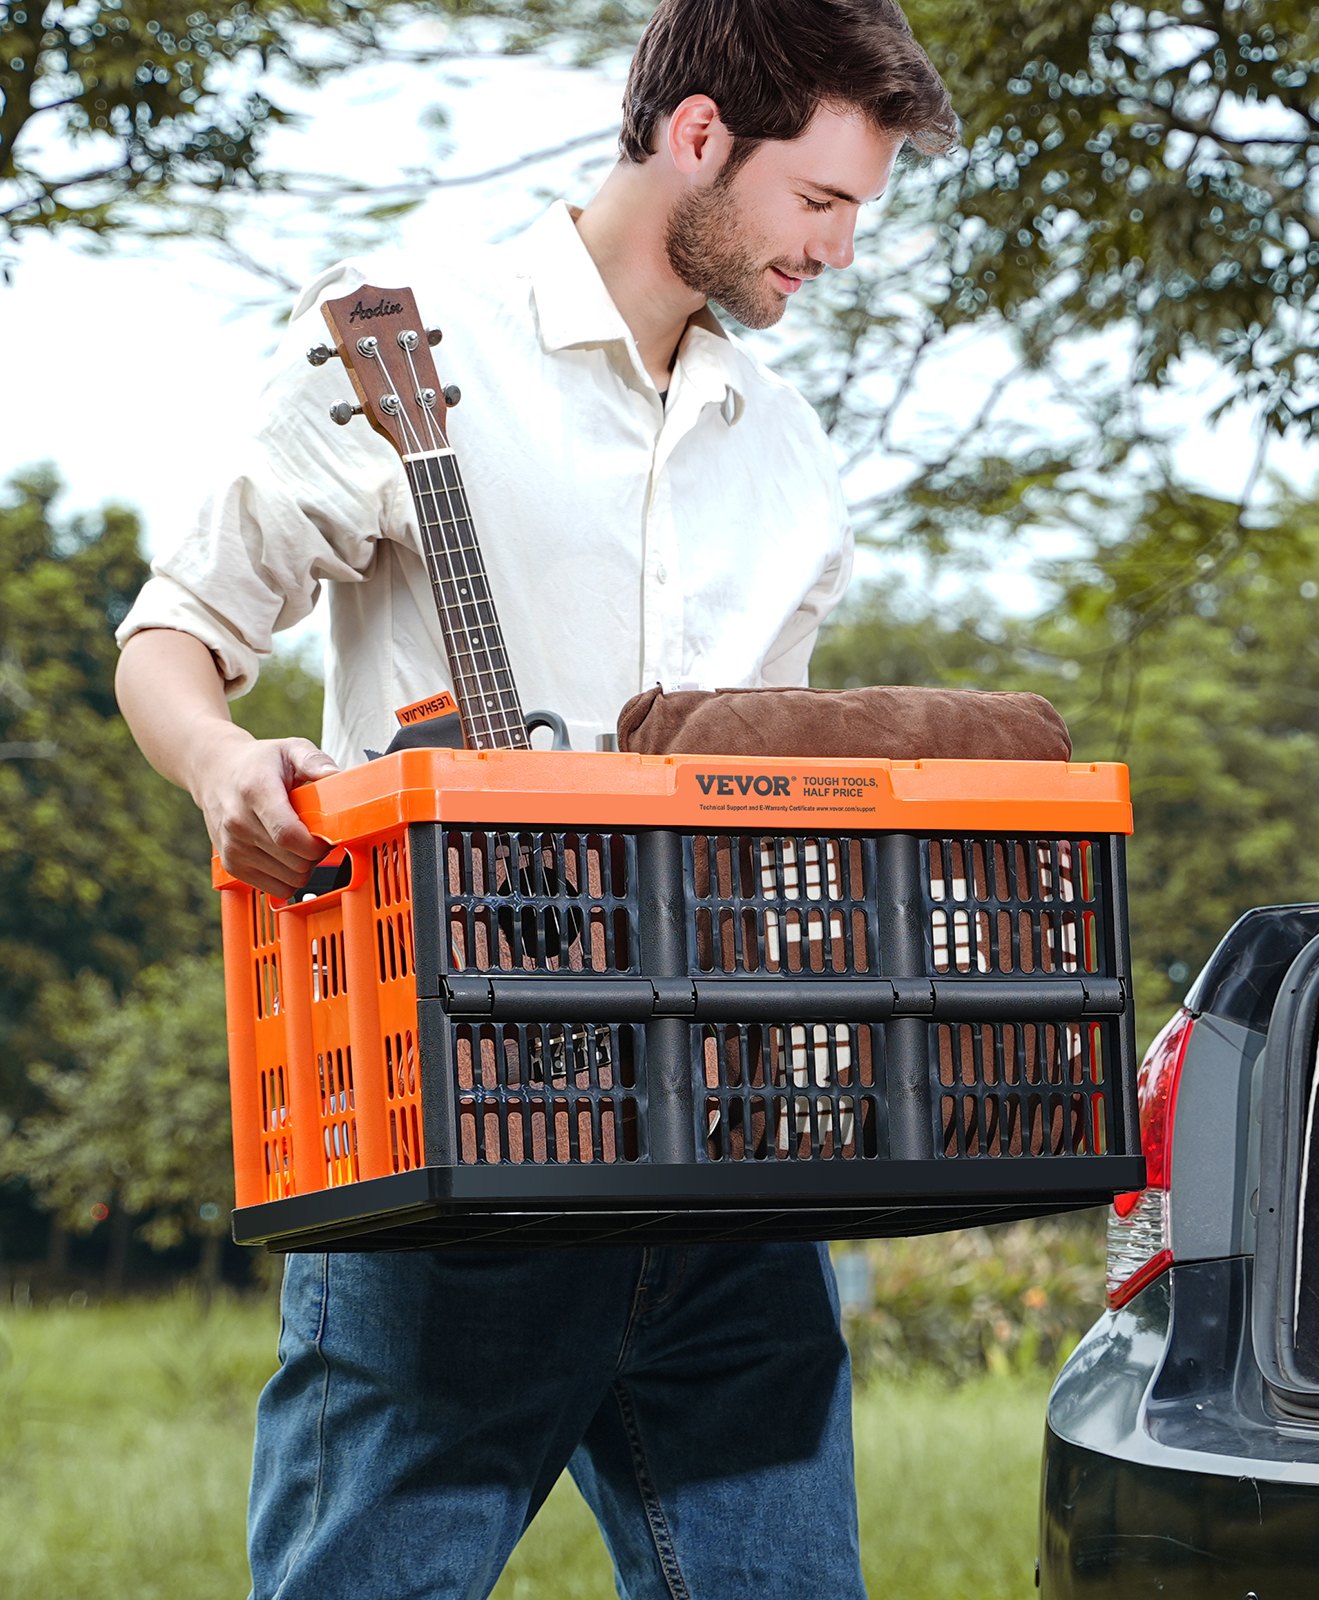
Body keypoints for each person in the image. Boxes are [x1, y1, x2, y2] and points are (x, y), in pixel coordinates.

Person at [113, 2, 956, 1596]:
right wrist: (227, 765)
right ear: (700, 135)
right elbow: (176, 633)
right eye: (822, 203)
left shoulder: (790, 460)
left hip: (727, 1166)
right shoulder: (423, 337)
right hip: (453, 1146)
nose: (839, 253)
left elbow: (753, 806)